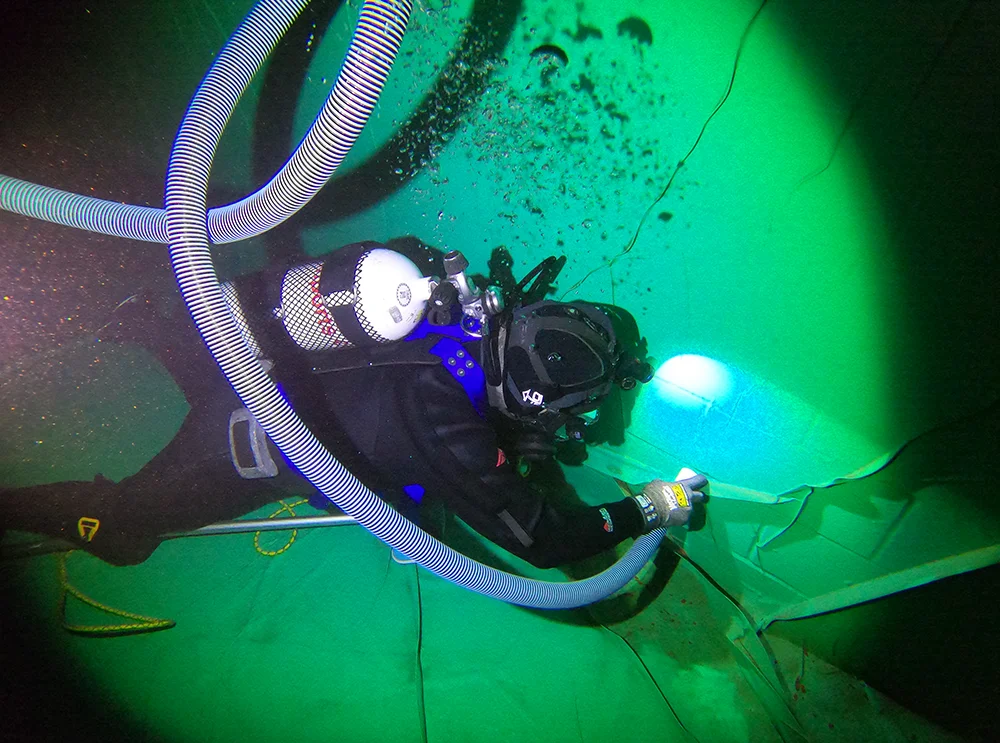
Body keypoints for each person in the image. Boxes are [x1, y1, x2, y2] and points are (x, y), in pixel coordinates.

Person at [0, 240, 707, 568]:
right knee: (122, 528)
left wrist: (525, 440)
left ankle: (146, 326)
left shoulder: (447, 303)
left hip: (266, 372)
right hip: (247, 446)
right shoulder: (449, 428)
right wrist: (649, 507)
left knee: (214, 377)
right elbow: (548, 541)